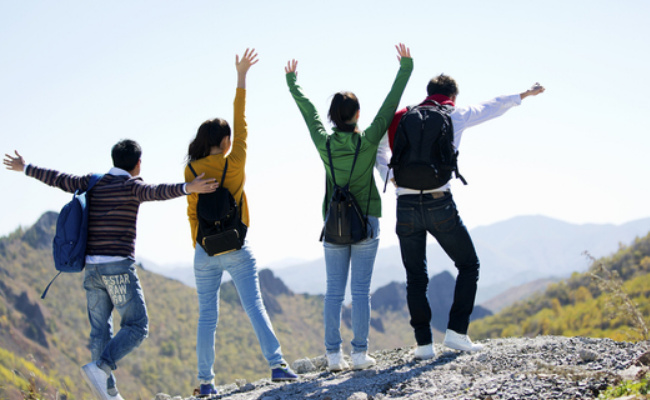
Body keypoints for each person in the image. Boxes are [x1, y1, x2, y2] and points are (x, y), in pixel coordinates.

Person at [3, 141, 218, 400]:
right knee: (138, 326)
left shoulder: (93, 182)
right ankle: (102, 367)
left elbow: (59, 179)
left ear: (115, 160)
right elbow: (157, 191)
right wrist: (188, 188)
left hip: (91, 270)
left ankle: (108, 392)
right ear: (138, 164)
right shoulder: (132, 186)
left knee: (100, 331)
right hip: (117, 267)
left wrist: (25, 167)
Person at [382, 74, 545, 360]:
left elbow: (378, 148)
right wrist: (524, 95)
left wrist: (390, 175)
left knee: (415, 276)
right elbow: (491, 106)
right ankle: (457, 334)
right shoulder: (455, 114)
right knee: (469, 264)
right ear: (452, 96)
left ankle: (423, 345)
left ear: (427, 92)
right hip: (439, 202)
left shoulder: (401, 116)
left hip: (405, 203)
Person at [285, 44, 413, 371]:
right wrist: (405, 68)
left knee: (333, 293)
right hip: (366, 221)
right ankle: (359, 355)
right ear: (357, 115)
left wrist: (293, 83)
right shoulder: (367, 141)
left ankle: (332, 356)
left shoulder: (323, 143)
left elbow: (309, 113)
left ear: (333, 117)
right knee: (360, 291)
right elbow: (390, 106)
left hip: (333, 223)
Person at [184, 48, 298, 396]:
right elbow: (241, 117)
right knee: (254, 306)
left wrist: (200, 244)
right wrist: (241, 77)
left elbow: (191, 212)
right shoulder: (236, 162)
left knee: (207, 318)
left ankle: (206, 383)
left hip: (204, 251)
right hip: (236, 245)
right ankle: (277, 366)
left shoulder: (191, 170)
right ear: (226, 141)